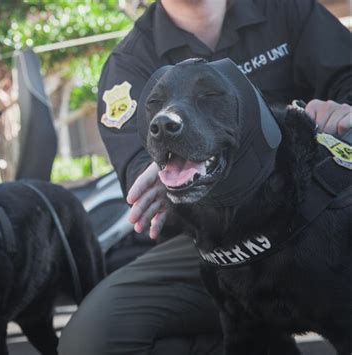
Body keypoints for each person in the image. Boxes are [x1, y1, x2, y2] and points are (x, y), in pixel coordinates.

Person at [58, 0, 351, 354]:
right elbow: (143, 172)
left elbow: (346, 81)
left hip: (318, 213)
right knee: (92, 340)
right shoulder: (130, 63)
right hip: (215, 246)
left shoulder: (288, 9)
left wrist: (341, 111)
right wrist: (169, 171)